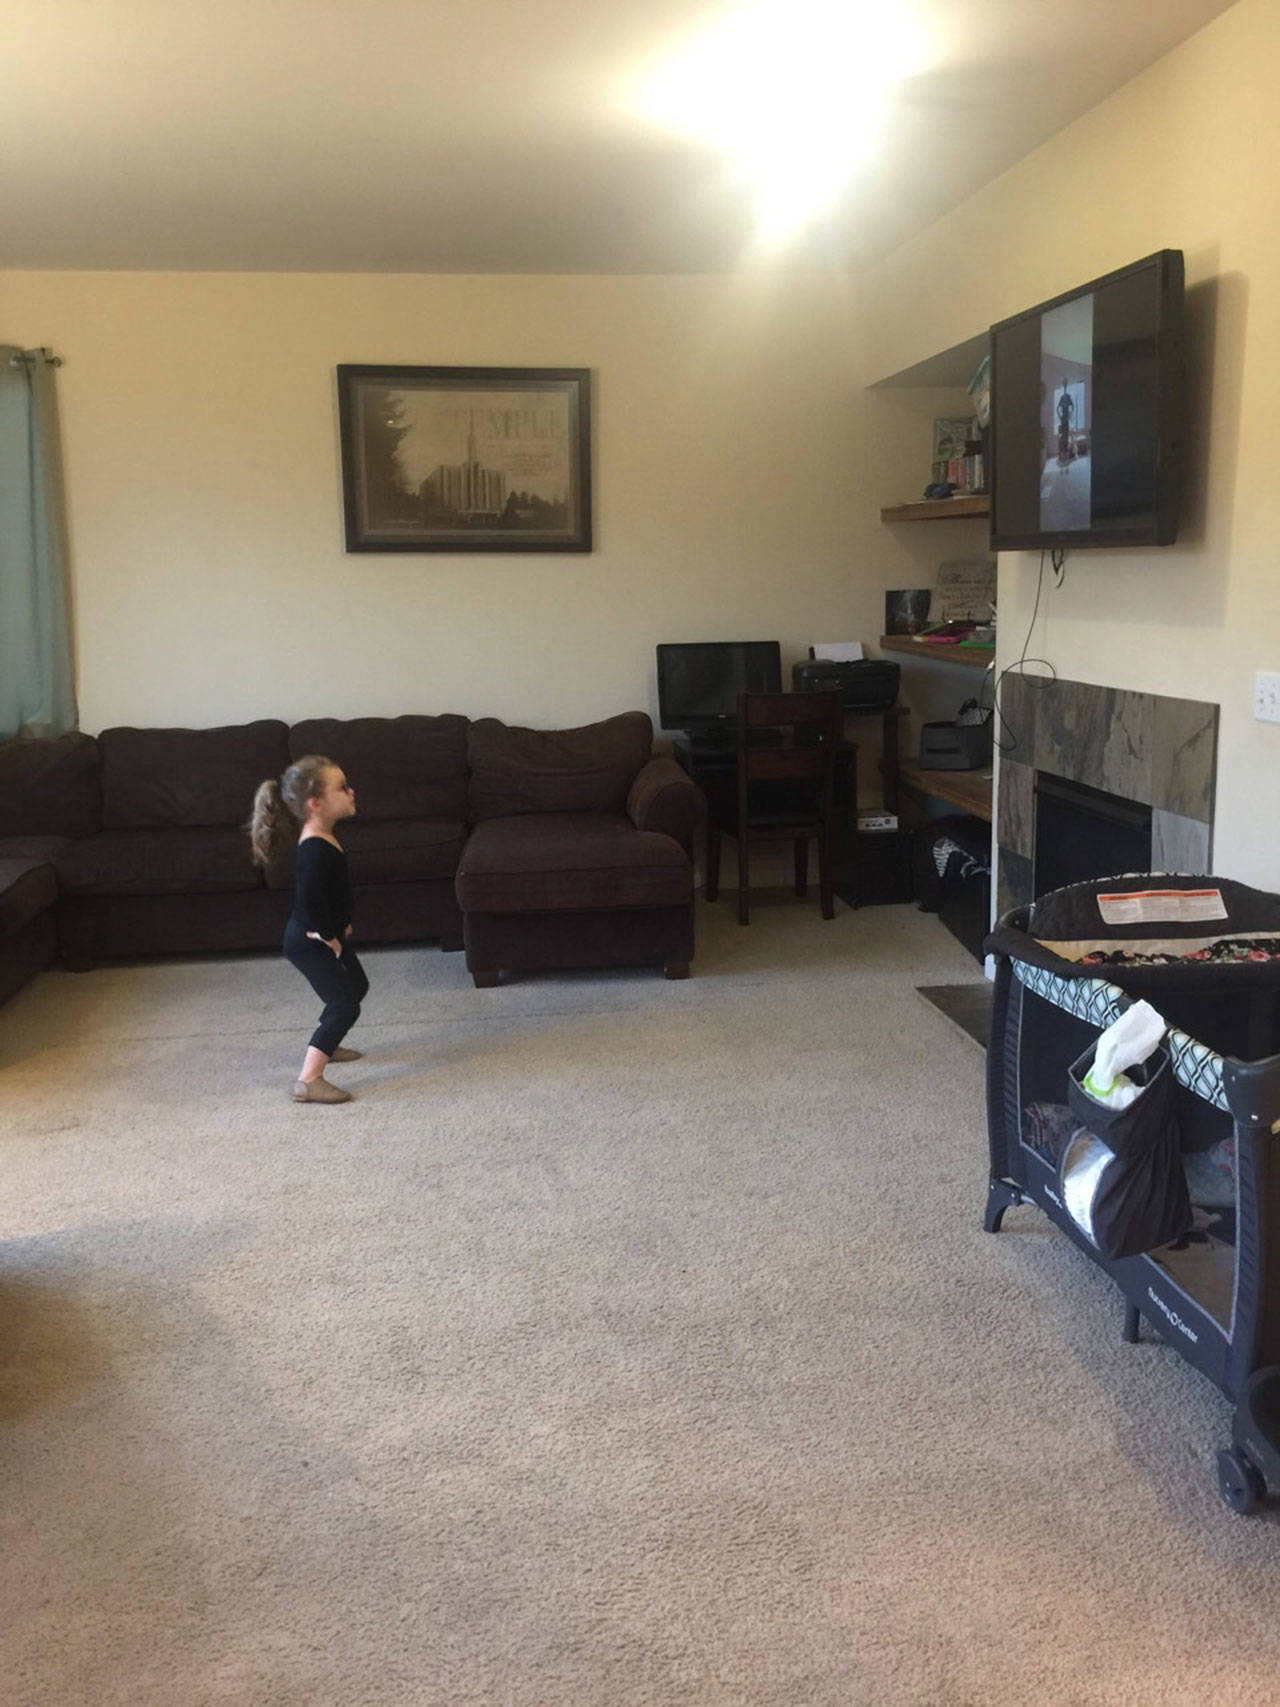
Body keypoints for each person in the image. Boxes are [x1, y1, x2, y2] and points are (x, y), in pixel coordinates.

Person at [249, 755, 369, 1105]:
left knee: (357, 986)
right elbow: (309, 901)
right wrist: (328, 935)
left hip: (325, 934)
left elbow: (330, 893)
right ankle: (309, 1079)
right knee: (345, 1004)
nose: (351, 791)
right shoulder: (314, 849)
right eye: (342, 787)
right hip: (310, 940)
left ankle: (327, 1043)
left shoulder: (324, 836)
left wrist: (340, 923)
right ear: (316, 804)